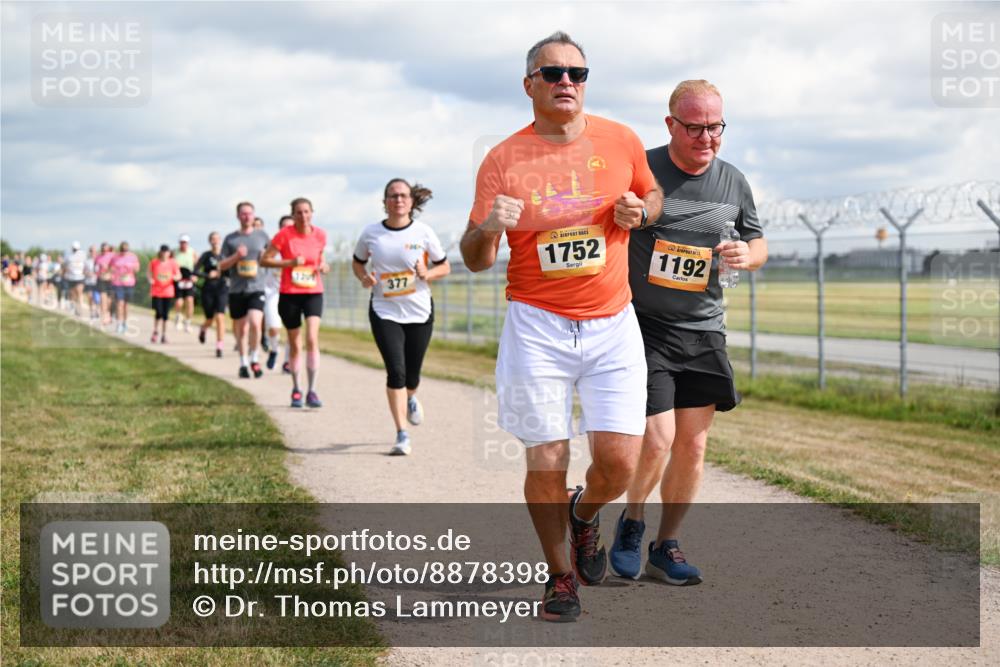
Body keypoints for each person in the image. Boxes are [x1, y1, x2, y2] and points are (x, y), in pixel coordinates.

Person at [459, 32, 662, 622]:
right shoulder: (502, 159)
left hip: (611, 324)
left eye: (577, 72)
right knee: (545, 460)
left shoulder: (620, 139)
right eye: (552, 73)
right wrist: (490, 228)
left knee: (621, 463)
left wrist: (641, 211)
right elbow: (474, 257)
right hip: (537, 326)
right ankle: (559, 577)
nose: (566, 81)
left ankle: (583, 514)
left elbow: (654, 198)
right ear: (530, 85)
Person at [611, 80, 768, 585]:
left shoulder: (733, 181)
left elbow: (757, 241)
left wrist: (749, 255)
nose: (707, 137)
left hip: (704, 330)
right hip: (645, 325)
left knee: (693, 447)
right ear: (670, 124)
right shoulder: (644, 169)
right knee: (658, 439)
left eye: (715, 127)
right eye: (695, 126)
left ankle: (667, 543)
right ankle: (632, 522)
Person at [353, 178, 450, 455]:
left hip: (419, 311)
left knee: (412, 375)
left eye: (403, 196)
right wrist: (364, 277)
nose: (398, 200)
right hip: (385, 311)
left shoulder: (423, 232)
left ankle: (411, 397)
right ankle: (401, 433)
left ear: (411, 201)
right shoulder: (371, 233)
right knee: (395, 371)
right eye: (393, 196)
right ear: (385, 202)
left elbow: (444, 268)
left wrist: (427, 274)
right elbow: (357, 262)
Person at [261, 198, 329, 408]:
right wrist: (289, 263)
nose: (303, 216)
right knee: (296, 344)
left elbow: (321, 257)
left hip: (313, 291)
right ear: (293, 214)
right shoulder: (284, 235)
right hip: (290, 293)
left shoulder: (320, 234)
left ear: (312, 213)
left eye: (306, 211)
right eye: (298, 212)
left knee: (312, 338)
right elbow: (265, 259)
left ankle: (312, 391)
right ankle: (296, 389)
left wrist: (324, 265)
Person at [219, 202, 271, 378]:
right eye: (243, 214)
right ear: (238, 216)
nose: (247, 216)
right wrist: (236, 256)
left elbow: (272, 257)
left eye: (249, 213)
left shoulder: (262, 236)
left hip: (257, 287)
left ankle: (255, 358)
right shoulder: (230, 239)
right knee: (242, 329)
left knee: (256, 323)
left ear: (254, 215)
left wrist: (265, 257)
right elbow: (221, 265)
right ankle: (243, 363)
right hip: (237, 289)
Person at [261, 216, 292, 370]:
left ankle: (287, 361)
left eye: (290, 227)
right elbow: (262, 260)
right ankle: (274, 350)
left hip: (293, 292)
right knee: (273, 327)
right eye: (284, 227)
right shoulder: (272, 247)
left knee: (292, 330)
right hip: (273, 292)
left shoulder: (299, 248)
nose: (287, 230)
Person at [194, 231, 229, 357]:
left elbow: (231, 270)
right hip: (208, 289)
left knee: (220, 317)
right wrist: (207, 275)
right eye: (212, 239)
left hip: (222, 289)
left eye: (217, 239)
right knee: (210, 318)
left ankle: (219, 346)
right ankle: (203, 329)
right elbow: (195, 271)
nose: (215, 241)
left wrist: (224, 274)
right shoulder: (206, 255)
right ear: (210, 241)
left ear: (220, 240)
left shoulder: (225, 255)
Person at [148, 244, 181, 343]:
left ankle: (164, 334)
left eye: (166, 251)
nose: (165, 253)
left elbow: (179, 274)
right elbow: (149, 273)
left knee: (165, 315)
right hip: (156, 291)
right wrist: (150, 279)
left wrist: (176, 278)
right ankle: (155, 331)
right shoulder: (154, 262)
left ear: (169, 253)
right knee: (158, 312)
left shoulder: (173, 263)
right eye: (163, 251)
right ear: (160, 252)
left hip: (168, 291)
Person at [109, 241, 140, 334]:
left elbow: (137, 269)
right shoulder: (115, 257)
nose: (124, 251)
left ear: (128, 250)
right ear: (120, 249)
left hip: (129, 283)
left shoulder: (133, 257)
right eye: (122, 250)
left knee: (126, 305)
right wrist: (113, 272)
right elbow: (110, 268)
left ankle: (125, 323)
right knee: (120, 304)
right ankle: (119, 324)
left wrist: (131, 268)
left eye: (126, 250)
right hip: (118, 283)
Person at [173, 234, 197, 332]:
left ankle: (188, 322)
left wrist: (195, 275)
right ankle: (178, 317)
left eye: (185, 242)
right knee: (179, 302)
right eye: (182, 242)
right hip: (179, 278)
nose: (183, 244)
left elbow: (197, 265)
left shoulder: (192, 252)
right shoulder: (174, 252)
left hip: (189, 278)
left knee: (190, 301)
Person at [63, 241, 87, 316]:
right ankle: (75, 308)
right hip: (71, 278)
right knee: (73, 294)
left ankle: (80, 309)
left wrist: (85, 272)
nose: (75, 250)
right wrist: (65, 273)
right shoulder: (68, 255)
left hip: (80, 277)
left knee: (79, 293)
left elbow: (86, 265)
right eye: (74, 249)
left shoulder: (83, 254)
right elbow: (65, 265)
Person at [95, 243, 116, 327]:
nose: (104, 251)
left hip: (111, 280)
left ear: (108, 250)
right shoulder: (98, 257)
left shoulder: (113, 256)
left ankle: (109, 314)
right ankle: (105, 317)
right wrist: (98, 274)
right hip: (101, 280)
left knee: (109, 301)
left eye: (106, 250)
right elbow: (95, 268)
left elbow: (116, 267)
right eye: (102, 250)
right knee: (103, 299)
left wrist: (108, 271)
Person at [84, 245, 101, 320]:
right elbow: (83, 271)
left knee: (97, 298)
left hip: (97, 282)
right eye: (91, 251)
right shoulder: (87, 261)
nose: (93, 252)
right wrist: (87, 273)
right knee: (90, 297)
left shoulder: (99, 260)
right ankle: (92, 312)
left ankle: (97, 311)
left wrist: (97, 274)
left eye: (94, 251)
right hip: (88, 282)